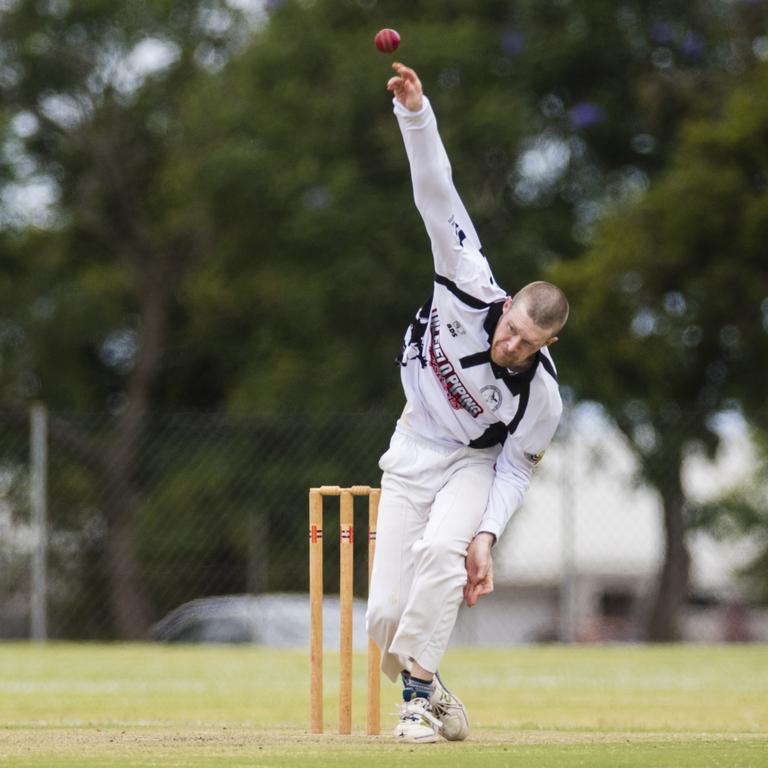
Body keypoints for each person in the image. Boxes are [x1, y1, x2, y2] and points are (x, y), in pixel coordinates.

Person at [365, 62, 569, 744]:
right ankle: (433, 684)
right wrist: (415, 114)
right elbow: (437, 194)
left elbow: (515, 469)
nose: (511, 344)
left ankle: (416, 700)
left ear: (548, 341)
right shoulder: (467, 278)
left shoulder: (541, 395)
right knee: (383, 621)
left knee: (441, 557)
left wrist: (485, 536)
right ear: (507, 305)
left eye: (527, 342)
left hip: (469, 465)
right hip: (413, 443)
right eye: (511, 329)